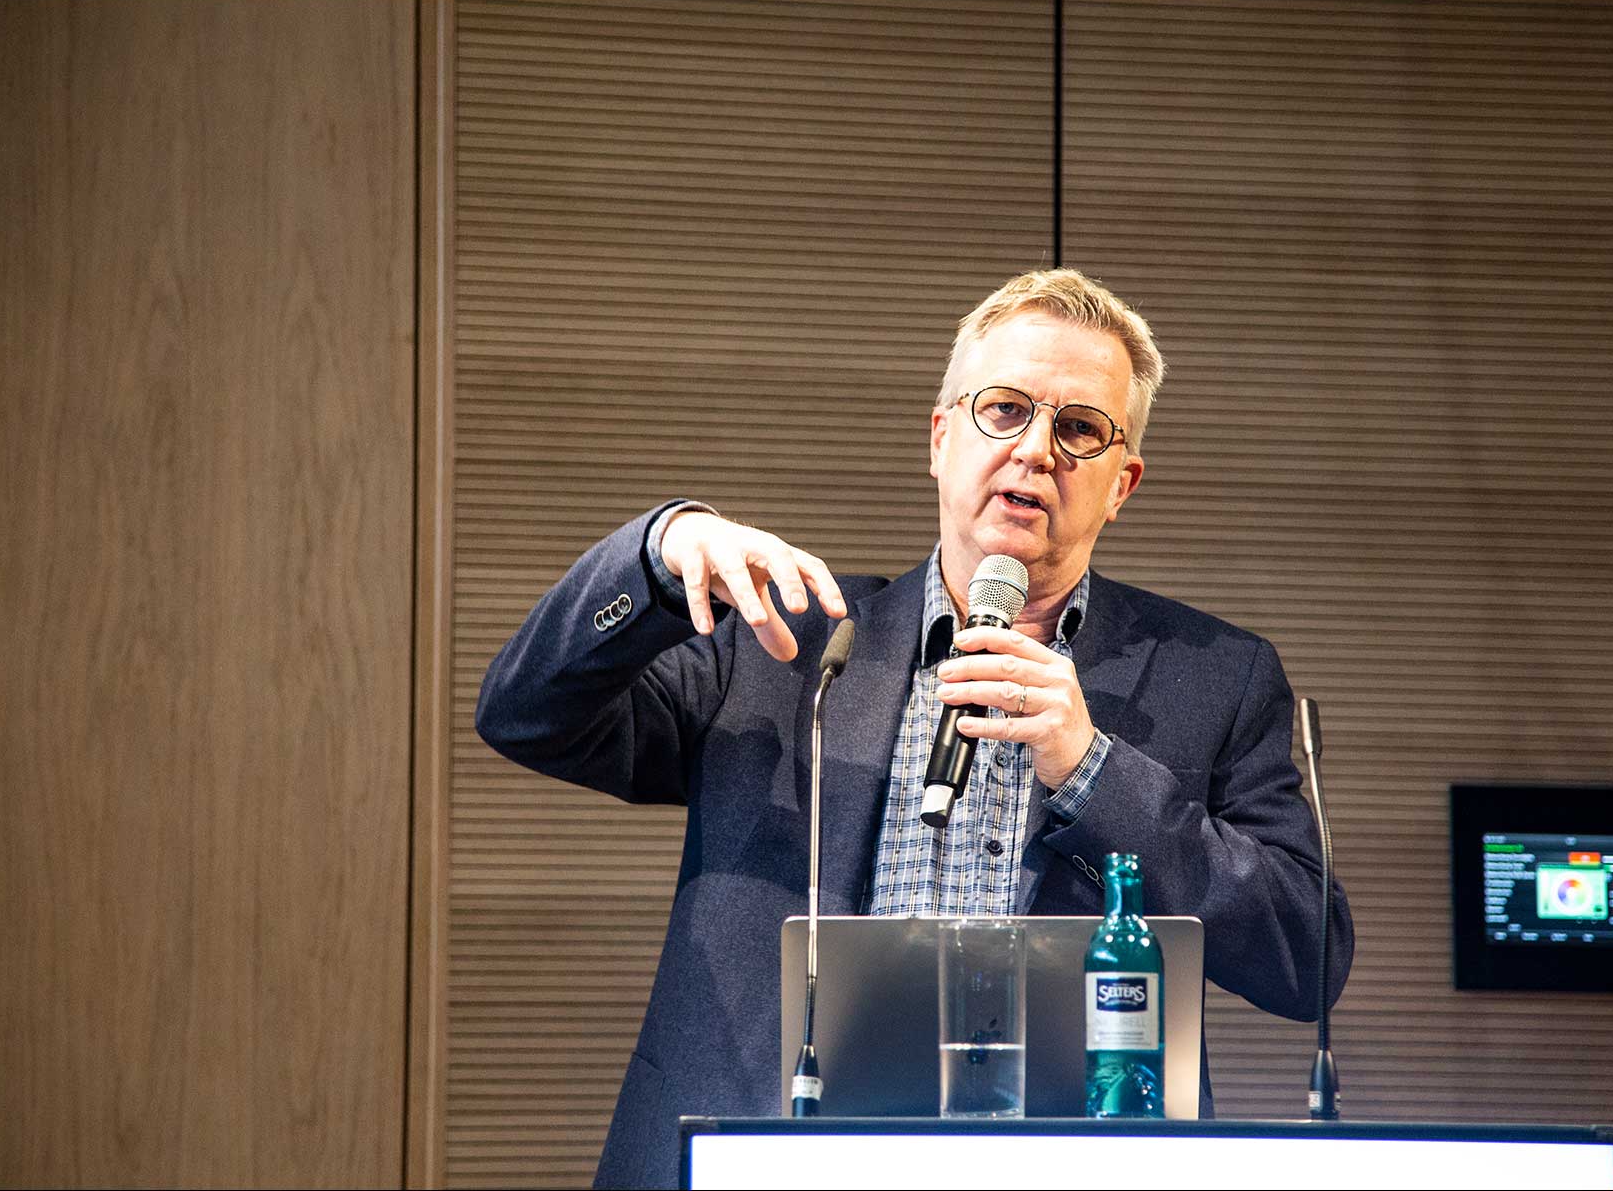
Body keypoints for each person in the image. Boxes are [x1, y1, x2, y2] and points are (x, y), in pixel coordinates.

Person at [477, 269, 1354, 1190]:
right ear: (941, 439)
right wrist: (656, 557)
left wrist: (1092, 770)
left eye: (1080, 429)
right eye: (1004, 409)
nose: (1035, 451)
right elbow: (526, 714)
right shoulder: (781, 640)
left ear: (1121, 482)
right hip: (770, 1161)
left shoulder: (1215, 676)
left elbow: (1305, 958)